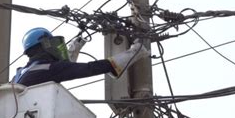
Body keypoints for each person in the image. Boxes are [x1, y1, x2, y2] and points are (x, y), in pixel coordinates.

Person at [12, 27, 150, 87]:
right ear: (45, 45)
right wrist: (134, 53)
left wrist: (75, 47)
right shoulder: (50, 68)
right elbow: (88, 69)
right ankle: (138, 51)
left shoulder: (19, 74)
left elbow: (65, 68)